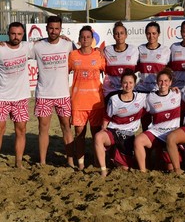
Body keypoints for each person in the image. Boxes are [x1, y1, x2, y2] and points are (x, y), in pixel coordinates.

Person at [32, 16, 74, 167]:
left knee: (66, 128)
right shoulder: (37, 46)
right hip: (44, 95)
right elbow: (18, 50)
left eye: (57, 28)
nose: (54, 31)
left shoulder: (68, 44)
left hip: (63, 95)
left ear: (61, 29)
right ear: (46, 28)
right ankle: (42, 162)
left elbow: (82, 53)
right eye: (51, 28)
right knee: (43, 129)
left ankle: (70, 161)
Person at [94, 69, 146, 176]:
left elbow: (159, 94)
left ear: (135, 84)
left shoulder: (141, 97)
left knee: (125, 168)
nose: (128, 85)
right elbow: (107, 116)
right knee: (98, 137)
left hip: (128, 136)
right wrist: (103, 128)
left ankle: (114, 156)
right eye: (125, 83)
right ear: (121, 84)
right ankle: (103, 171)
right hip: (114, 131)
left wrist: (173, 89)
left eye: (130, 83)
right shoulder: (114, 99)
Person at [68, 26, 106, 170]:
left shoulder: (99, 56)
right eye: (83, 37)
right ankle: (81, 163)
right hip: (78, 102)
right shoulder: (72, 56)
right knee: (79, 134)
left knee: (96, 134)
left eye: (88, 37)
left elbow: (110, 71)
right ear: (79, 39)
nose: (85, 39)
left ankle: (97, 161)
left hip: (96, 102)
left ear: (92, 39)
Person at [134, 67, 181, 172]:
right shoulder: (150, 97)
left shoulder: (178, 94)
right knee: (138, 141)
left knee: (170, 168)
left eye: (166, 81)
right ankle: (143, 171)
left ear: (170, 82)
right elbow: (137, 106)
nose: (163, 83)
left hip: (172, 134)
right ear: (157, 82)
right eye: (160, 81)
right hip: (156, 132)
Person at [0, 22, 33, 168]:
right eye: (13, 33)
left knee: (21, 130)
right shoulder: (1, 49)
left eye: (19, 34)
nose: (16, 37)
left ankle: (18, 161)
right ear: (8, 33)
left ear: (23, 35)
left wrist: (63, 37)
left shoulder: (27, 47)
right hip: (2, 97)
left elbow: (47, 43)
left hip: (20, 97)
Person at [103, 21, 139, 97]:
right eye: (117, 33)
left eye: (122, 33)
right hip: (111, 91)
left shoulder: (134, 50)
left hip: (128, 91)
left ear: (126, 35)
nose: (119, 36)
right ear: (113, 36)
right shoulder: (107, 50)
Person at [136, 21, 170, 92]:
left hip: (158, 90)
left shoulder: (166, 50)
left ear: (159, 34)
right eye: (148, 33)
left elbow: (170, 72)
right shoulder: (140, 49)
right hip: (142, 90)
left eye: (154, 33)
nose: (151, 36)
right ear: (145, 34)